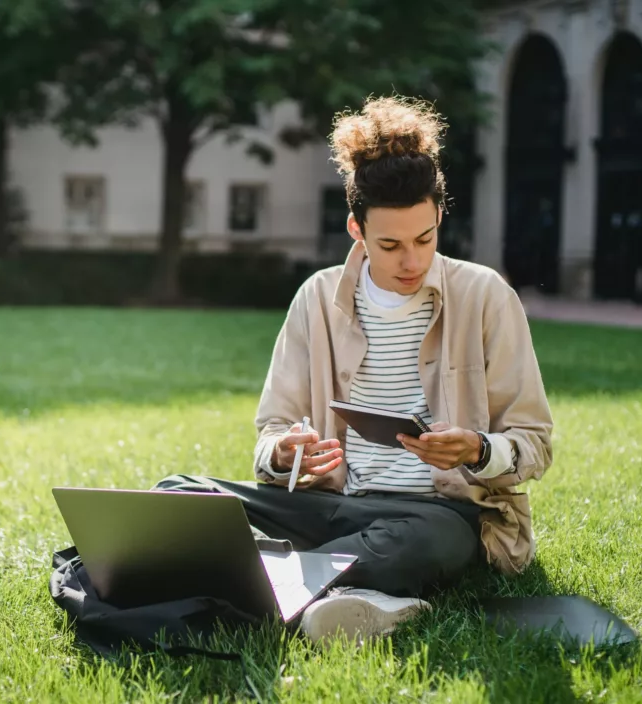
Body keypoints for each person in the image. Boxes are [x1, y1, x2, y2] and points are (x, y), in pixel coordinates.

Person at [154, 96, 553, 644]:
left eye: (425, 239)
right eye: (390, 245)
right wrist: (283, 453)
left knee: (429, 543)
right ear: (355, 230)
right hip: (331, 505)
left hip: (439, 516)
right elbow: (271, 432)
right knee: (176, 493)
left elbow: (534, 443)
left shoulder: (486, 295)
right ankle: (345, 591)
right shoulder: (316, 298)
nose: (411, 261)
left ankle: (252, 577)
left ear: (439, 216)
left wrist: (478, 450)